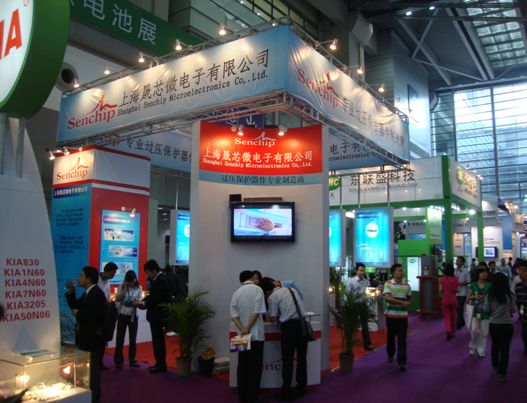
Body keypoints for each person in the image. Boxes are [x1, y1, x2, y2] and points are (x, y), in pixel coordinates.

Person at [66, 266, 108, 403]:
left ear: (89, 279)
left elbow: (95, 316)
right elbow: (75, 306)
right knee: (87, 370)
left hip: (93, 340)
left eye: (81, 276)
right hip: (86, 338)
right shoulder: (87, 293)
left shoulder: (97, 294)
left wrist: (79, 314)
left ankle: (94, 398)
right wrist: (72, 292)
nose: (79, 278)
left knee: (93, 371)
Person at [263, 280, 308, 400]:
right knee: (302, 358)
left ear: (267, 292)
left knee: (288, 360)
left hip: (289, 328)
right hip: (302, 325)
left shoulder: (272, 297)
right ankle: (302, 388)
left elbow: (272, 318)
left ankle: (286, 392)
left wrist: (269, 316)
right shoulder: (291, 289)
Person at [230, 270, 266, 403]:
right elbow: (257, 312)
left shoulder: (236, 292)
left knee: (242, 366)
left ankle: (242, 397)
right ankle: (252, 397)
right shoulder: (257, 290)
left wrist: (242, 329)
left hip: (241, 336)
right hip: (256, 335)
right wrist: (248, 328)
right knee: (255, 367)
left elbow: (233, 315)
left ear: (241, 280)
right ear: (251, 277)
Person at [484, 273, 516, 383]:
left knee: (495, 345)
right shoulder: (509, 295)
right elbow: (513, 310)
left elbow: (486, 309)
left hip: (494, 324)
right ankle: (502, 374)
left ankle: (495, 365)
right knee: (505, 349)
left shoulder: (490, 295)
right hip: (507, 325)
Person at [141, 259, 171, 373]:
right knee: (158, 340)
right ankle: (159, 363)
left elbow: (156, 298)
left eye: (148, 272)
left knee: (158, 340)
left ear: (153, 270)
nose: (147, 275)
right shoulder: (159, 279)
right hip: (157, 315)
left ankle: (160, 364)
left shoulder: (160, 280)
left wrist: (144, 304)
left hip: (157, 315)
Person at [383, 263, 411, 371]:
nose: (401, 272)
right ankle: (390, 354)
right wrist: (402, 302)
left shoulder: (407, 285)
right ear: (394, 273)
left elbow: (409, 298)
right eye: (399, 270)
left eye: (402, 270)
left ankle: (402, 361)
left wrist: (408, 303)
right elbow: (387, 298)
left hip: (403, 317)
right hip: (391, 316)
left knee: (402, 339)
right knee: (390, 337)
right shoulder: (388, 284)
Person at [114, 270, 143, 369]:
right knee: (120, 339)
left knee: (132, 339)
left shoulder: (139, 287)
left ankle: (132, 359)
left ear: (134, 280)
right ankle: (118, 361)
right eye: (128, 281)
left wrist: (137, 302)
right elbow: (117, 298)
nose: (130, 283)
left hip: (133, 316)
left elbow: (139, 300)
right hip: (122, 315)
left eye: (131, 281)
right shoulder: (122, 286)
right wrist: (124, 288)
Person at [348, 263, 373, 350]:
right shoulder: (351, 281)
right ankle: (349, 343)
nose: (362, 272)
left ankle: (367, 344)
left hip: (363, 305)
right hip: (354, 305)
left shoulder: (366, 281)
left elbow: (365, 293)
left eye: (363, 270)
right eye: (361, 270)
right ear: (356, 271)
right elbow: (348, 294)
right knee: (352, 324)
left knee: (365, 325)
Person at [467, 266, 491, 357]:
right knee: (474, 331)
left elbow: (491, 298)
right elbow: (468, 297)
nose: (484, 274)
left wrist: (486, 297)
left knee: (484, 332)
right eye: (482, 272)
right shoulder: (473, 285)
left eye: (486, 272)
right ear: (478, 274)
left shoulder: (489, 285)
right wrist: (475, 297)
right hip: (475, 312)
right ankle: (472, 347)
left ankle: (481, 350)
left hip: (485, 311)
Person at [98, 262, 117, 369]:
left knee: (103, 340)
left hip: (105, 313)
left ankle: (100, 362)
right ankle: (95, 363)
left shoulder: (107, 282)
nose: (113, 276)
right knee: (97, 340)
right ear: (107, 271)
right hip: (97, 314)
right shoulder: (96, 280)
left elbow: (107, 297)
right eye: (113, 273)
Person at [439, 263, 460, 340]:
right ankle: (453, 332)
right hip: (453, 299)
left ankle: (448, 330)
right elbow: (457, 290)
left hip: (445, 299)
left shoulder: (442, 279)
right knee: (453, 316)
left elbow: (441, 290)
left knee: (447, 317)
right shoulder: (455, 279)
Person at [514, 260, 527, 355]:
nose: (521, 273)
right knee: (524, 334)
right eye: (520, 271)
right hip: (524, 316)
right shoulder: (518, 286)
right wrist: (521, 313)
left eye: (524, 271)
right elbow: (519, 302)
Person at [454, 256, 471, 329]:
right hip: (455, 292)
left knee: (460, 308)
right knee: (457, 308)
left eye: (459, 260)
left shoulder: (466, 271)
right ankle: (462, 321)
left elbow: (469, 281)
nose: (457, 261)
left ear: (463, 262)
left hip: (463, 292)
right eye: (457, 260)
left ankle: (459, 323)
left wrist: (461, 284)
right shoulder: (454, 270)